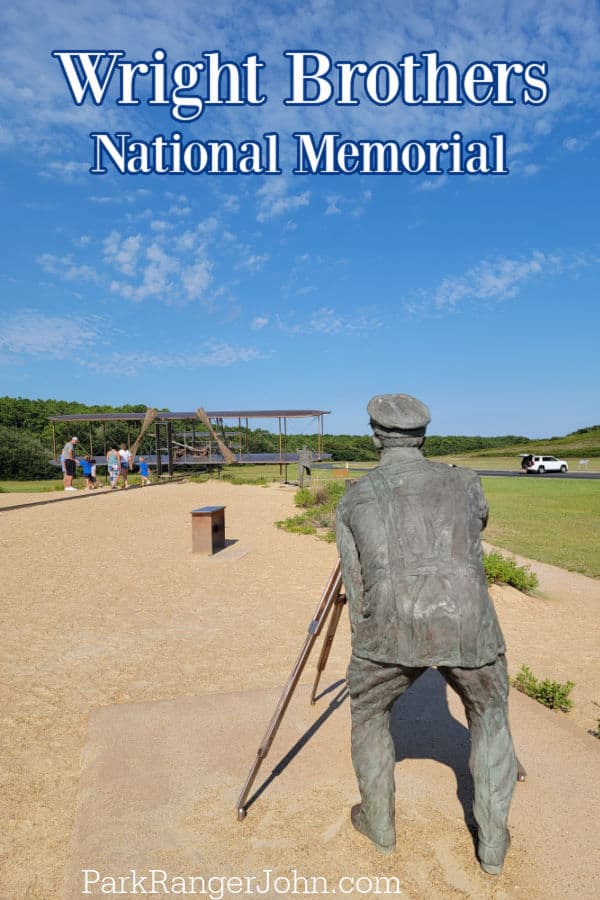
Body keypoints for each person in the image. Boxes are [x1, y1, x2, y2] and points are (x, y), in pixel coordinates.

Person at [336, 394, 517, 876]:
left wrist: (368, 643)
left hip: (391, 624)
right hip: (468, 622)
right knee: (490, 715)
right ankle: (493, 846)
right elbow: (477, 525)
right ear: (423, 437)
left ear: (376, 437)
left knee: (369, 711)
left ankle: (379, 825)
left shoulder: (355, 496)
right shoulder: (466, 481)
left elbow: (354, 583)